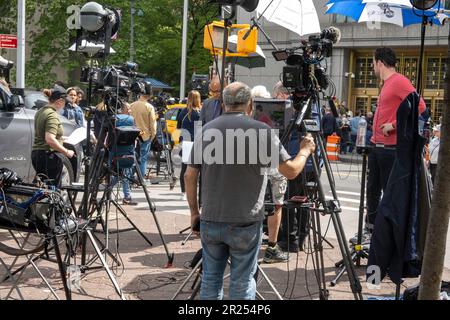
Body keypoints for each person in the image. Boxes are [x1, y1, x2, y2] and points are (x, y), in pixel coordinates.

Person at [184, 82, 316, 300]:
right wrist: (304, 150)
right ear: (250, 104)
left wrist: (194, 212)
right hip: (246, 220)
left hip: (211, 217)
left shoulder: (207, 130)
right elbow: (291, 171)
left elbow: (189, 175)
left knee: (210, 279)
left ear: (223, 103)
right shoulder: (262, 131)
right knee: (243, 281)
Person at [350, 47, 426, 244]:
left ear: (380, 63)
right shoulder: (386, 84)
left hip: (390, 149)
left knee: (387, 194)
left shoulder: (399, 81)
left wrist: (394, 125)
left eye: (373, 63)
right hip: (377, 147)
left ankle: (385, 237)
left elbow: (421, 106)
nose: (373, 67)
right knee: (372, 191)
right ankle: (371, 231)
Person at [31, 85, 75, 187]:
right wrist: (67, 152)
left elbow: (43, 134)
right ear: (60, 101)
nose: (65, 104)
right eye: (65, 102)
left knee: (43, 189)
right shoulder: (52, 115)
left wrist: (62, 138)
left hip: (37, 154)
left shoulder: (41, 111)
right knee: (52, 191)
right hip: (49, 156)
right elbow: (50, 139)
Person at [177, 90, 202, 200]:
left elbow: (178, 128)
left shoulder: (183, 112)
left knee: (184, 168)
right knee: (198, 169)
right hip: (197, 142)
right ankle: (196, 190)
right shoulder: (200, 113)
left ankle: (183, 191)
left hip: (185, 142)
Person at [130, 84, 157, 178]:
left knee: (132, 156)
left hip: (132, 135)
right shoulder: (149, 107)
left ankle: (130, 177)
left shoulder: (131, 105)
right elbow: (152, 123)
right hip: (145, 135)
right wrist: (153, 135)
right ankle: (141, 179)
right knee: (143, 158)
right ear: (149, 96)